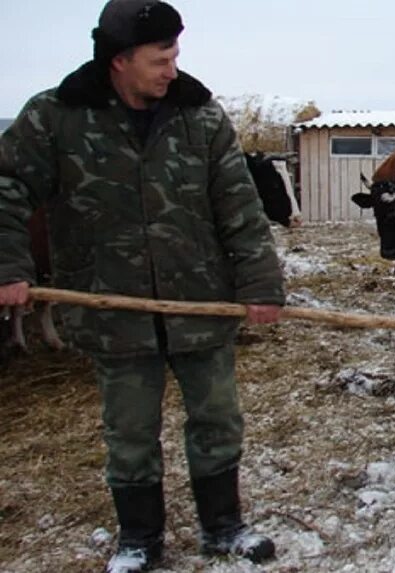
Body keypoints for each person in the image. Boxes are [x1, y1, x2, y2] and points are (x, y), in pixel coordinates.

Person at [0, 1, 285, 571]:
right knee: (129, 428)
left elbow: (239, 205)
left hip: (199, 300)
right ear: (120, 60)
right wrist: (10, 267)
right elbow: (7, 190)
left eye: (176, 55)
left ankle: (223, 526)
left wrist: (259, 283)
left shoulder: (201, 117)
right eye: (161, 58)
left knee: (217, 417)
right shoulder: (56, 117)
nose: (173, 70)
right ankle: (139, 539)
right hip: (112, 307)